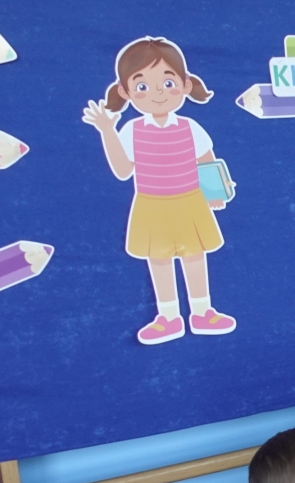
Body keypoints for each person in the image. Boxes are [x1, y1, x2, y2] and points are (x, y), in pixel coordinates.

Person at [82, 37, 237, 345]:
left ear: (185, 84)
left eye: (168, 83)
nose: (158, 93)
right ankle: (168, 316)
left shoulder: (190, 127)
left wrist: (215, 193)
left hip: (190, 201)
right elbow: (123, 170)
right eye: (142, 86)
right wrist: (107, 131)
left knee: (195, 256)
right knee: (159, 260)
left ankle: (202, 311)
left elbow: (206, 160)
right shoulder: (132, 130)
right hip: (151, 204)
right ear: (125, 92)